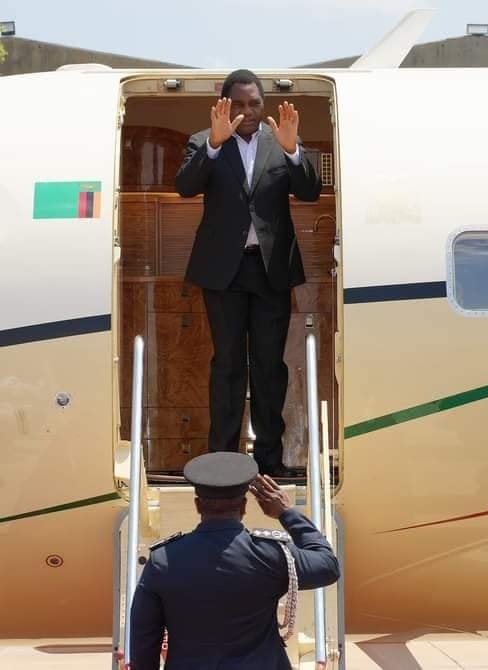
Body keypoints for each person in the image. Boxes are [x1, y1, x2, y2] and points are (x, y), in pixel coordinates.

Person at [176, 68, 322, 477]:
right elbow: (185, 186)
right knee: (227, 365)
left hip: (270, 271)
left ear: (264, 105)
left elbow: (311, 191)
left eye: (254, 103)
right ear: (223, 106)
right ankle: (221, 461)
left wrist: (295, 153)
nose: (247, 111)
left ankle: (269, 462)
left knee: (268, 366)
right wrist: (215, 144)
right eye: (238, 104)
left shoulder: (281, 143)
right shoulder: (203, 142)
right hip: (223, 273)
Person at [129, 452, 340, 669]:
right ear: (244, 506)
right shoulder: (272, 554)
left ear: (198, 505)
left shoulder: (162, 560)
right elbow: (328, 566)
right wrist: (287, 513)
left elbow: (144, 638)